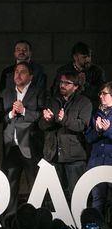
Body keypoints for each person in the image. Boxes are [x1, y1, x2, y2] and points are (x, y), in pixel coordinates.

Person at [1, 62, 46, 215]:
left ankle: (35, 218)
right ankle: (9, 219)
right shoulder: (6, 93)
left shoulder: (38, 92)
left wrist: (24, 110)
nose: (18, 75)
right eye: (16, 72)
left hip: (29, 145)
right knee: (10, 185)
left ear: (31, 77)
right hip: (11, 146)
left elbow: (42, 116)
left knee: (34, 184)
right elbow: (0, 117)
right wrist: (10, 114)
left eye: (23, 72)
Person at [39, 72, 92, 202]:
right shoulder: (52, 101)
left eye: (67, 83)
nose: (62, 85)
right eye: (61, 82)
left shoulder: (84, 102)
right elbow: (41, 125)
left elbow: (82, 126)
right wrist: (48, 120)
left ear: (76, 86)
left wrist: (64, 120)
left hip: (74, 158)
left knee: (77, 198)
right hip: (53, 155)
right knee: (55, 200)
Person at [52, 42, 106, 109]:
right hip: (67, 109)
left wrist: (84, 84)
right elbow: (55, 92)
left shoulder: (97, 71)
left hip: (89, 109)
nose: (88, 59)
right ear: (75, 57)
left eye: (89, 56)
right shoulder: (63, 71)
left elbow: (101, 93)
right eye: (84, 57)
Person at [85, 82, 112, 215]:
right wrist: (98, 131)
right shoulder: (97, 114)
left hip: (110, 162)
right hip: (96, 163)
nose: (101, 96)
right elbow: (88, 138)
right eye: (100, 93)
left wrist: (108, 131)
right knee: (97, 199)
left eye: (104, 93)